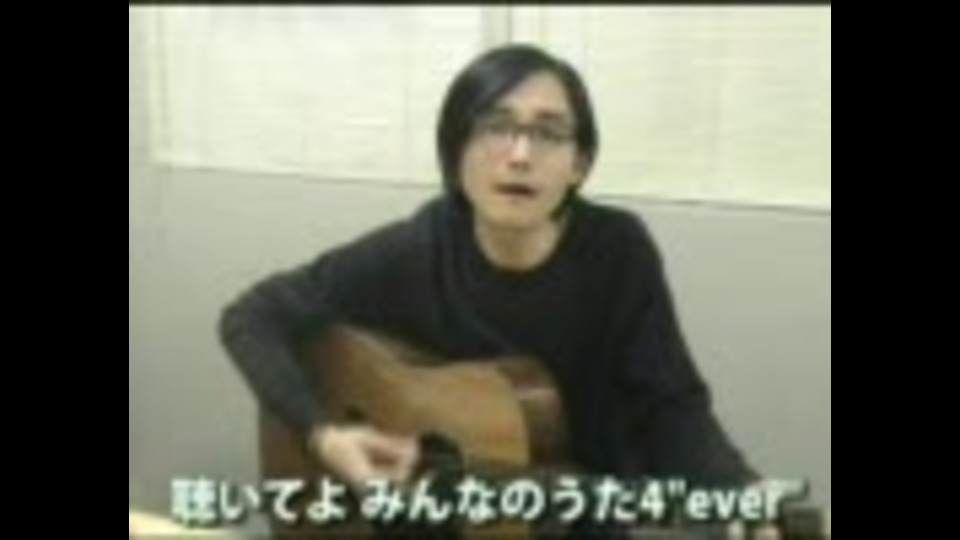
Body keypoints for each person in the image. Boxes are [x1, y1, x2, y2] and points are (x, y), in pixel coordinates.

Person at [220, 43, 775, 535]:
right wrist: (324, 437)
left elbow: (670, 406)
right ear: (456, 151)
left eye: (549, 133)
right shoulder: (420, 248)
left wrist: (740, 497)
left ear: (579, 164)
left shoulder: (617, 252)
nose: (520, 155)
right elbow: (250, 317)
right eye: (495, 127)